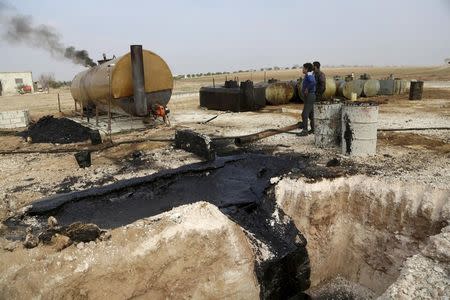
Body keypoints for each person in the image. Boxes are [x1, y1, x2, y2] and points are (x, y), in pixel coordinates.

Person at [298, 63, 316, 136]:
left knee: (304, 114)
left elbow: (313, 82)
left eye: (303, 68)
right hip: (310, 96)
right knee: (311, 114)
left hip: (309, 96)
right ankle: (313, 129)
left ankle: (305, 131)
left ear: (307, 69)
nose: (302, 69)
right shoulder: (309, 75)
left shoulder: (309, 75)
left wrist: (307, 89)